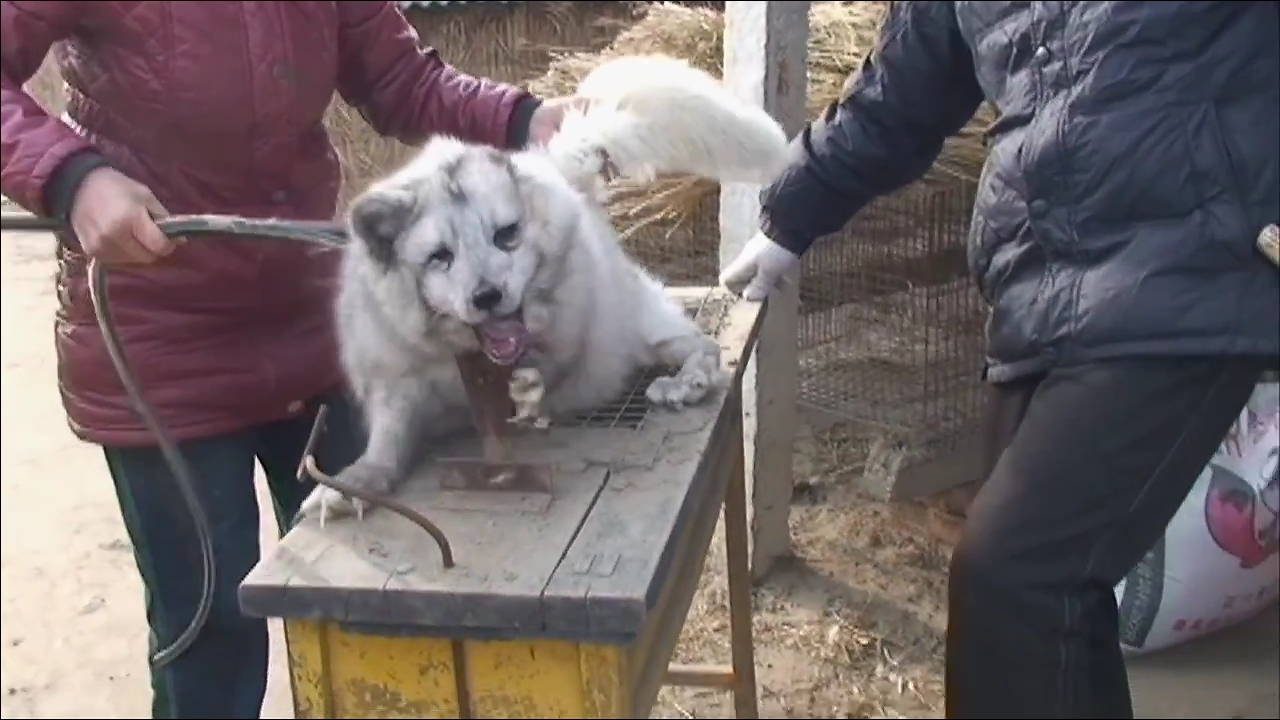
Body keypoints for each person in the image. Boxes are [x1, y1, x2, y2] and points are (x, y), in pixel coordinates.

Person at [0, 2, 578, 718]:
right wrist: (71, 177)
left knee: (374, 600)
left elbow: (401, 81)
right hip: (165, 339)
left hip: (312, 323)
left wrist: (525, 121)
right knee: (210, 633)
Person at [720, 2, 1278, 718]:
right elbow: (898, 95)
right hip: (1038, 286)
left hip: (1191, 270)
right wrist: (787, 217)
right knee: (1039, 609)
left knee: (1017, 576)